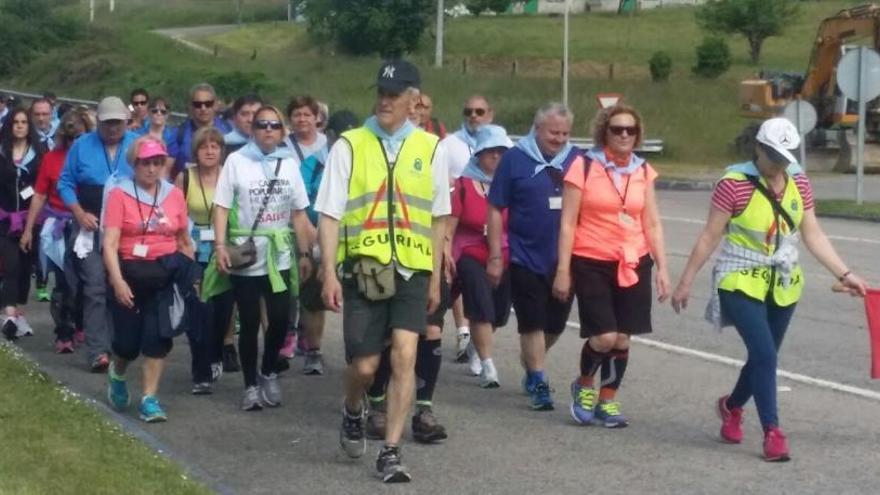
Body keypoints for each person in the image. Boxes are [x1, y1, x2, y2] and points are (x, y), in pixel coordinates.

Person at [670, 117, 868, 461]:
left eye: (787, 155)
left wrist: (845, 272)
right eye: (774, 154)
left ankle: (731, 407)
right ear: (758, 148)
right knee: (765, 355)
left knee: (764, 356)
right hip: (739, 278)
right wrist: (685, 281)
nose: (780, 163)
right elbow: (710, 235)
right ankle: (773, 433)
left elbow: (813, 234)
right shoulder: (733, 184)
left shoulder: (799, 183)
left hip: (783, 282)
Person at [317, 59, 449, 483]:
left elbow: (440, 217)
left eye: (395, 95)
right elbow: (330, 216)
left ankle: (391, 451)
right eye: (381, 93)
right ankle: (353, 409)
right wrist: (330, 273)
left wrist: (435, 274)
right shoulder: (350, 145)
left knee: (406, 356)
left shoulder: (431, 148)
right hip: (364, 270)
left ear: (414, 100)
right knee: (366, 367)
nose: (385, 101)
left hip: (411, 269)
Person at [554, 104, 669, 428]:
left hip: (633, 260)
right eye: (616, 129)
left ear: (637, 134)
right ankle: (584, 386)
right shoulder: (584, 167)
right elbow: (567, 224)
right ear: (604, 131)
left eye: (629, 130)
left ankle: (608, 400)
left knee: (622, 339)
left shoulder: (643, 171)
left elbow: (653, 223)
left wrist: (662, 268)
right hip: (591, 259)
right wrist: (563, 270)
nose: (623, 135)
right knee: (604, 336)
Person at [211, 105, 313, 411]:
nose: (268, 130)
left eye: (274, 125)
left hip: (279, 254)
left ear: (282, 131)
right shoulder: (237, 161)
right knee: (250, 320)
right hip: (247, 252)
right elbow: (222, 207)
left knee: (281, 319)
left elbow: (298, 212)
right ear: (252, 130)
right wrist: (219, 246)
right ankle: (250, 385)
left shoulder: (290, 165)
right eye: (261, 125)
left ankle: (269, 371)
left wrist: (305, 252)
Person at [486, 102, 580, 411]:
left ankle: (532, 360)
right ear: (537, 128)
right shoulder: (515, 159)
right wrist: (496, 255)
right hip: (525, 256)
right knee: (532, 322)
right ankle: (538, 379)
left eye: (565, 133)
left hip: (565, 259)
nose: (559, 139)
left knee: (554, 324)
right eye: (553, 132)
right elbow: (496, 207)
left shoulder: (577, 160)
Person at [103, 137, 196, 423]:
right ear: (135, 164)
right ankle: (118, 374)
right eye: (146, 163)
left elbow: (183, 238)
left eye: (157, 163)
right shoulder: (119, 194)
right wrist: (117, 281)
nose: (152, 169)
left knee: (158, 339)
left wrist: (190, 271)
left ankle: (149, 398)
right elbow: (110, 243)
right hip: (129, 272)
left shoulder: (174, 195)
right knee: (128, 344)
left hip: (165, 274)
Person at [58, 96, 138, 371]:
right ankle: (97, 351)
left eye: (118, 122)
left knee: (122, 285)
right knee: (94, 286)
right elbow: (65, 183)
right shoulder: (82, 145)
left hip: (127, 226)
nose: (113, 128)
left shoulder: (137, 144)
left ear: (126, 122)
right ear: (99, 123)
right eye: (108, 123)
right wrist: (79, 213)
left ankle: (121, 344)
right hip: (90, 224)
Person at [20, 107, 93, 352]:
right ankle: (64, 331)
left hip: (87, 225)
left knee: (87, 281)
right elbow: (39, 195)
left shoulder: (93, 158)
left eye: (79, 137)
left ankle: (82, 323)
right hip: (59, 227)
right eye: (70, 138)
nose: (74, 142)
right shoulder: (52, 158)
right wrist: (29, 229)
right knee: (64, 282)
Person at [448, 124, 513, 388]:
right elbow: (449, 228)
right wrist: (446, 257)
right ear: (479, 154)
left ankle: (477, 346)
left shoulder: (512, 186)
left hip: (505, 253)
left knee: (499, 313)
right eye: (490, 152)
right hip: (470, 253)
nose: (496, 157)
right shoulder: (463, 185)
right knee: (481, 307)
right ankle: (488, 365)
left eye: (501, 152)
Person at [175, 127, 236, 394]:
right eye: (204, 147)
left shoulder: (231, 176)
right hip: (191, 251)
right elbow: (175, 214)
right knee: (199, 310)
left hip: (223, 251)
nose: (210, 151)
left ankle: (215, 354)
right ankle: (200, 371)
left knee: (222, 311)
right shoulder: (184, 178)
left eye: (215, 146)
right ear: (196, 151)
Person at [438, 95, 496, 361]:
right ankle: (463, 331)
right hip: (461, 223)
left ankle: (474, 335)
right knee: (465, 286)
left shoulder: (500, 143)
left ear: (490, 114)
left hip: (494, 233)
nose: (474, 116)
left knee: (495, 305)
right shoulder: (451, 144)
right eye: (468, 111)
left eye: (479, 111)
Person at [281, 95, 329, 373]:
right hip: (288, 225)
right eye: (296, 114)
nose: (302, 119)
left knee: (314, 292)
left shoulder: (332, 148)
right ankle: (286, 336)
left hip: (322, 226)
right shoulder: (282, 148)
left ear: (317, 118)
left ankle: (314, 348)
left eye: (307, 114)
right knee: (287, 289)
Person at [0, 107, 45, 340]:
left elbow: (43, 187)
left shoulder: (38, 153)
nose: (19, 126)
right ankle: (8, 315)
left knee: (26, 268)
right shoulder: (2, 153)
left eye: (23, 122)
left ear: (29, 127)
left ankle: (18, 312)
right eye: (15, 122)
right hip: (5, 220)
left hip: (31, 219)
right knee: (11, 265)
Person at [171, 83, 231, 177]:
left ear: (215, 105)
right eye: (197, 104)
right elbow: (166, 171)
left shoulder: (229, 131)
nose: (203, 108)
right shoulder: (177, 134)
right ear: (190, 106)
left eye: (208, 104)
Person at [138, 97, 176, 175]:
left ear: (167, 115)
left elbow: (166, 169)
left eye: (163, 112)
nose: (159, 113)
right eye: (155, 111)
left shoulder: (172, 138)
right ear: (148, 112)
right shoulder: (137, 134)